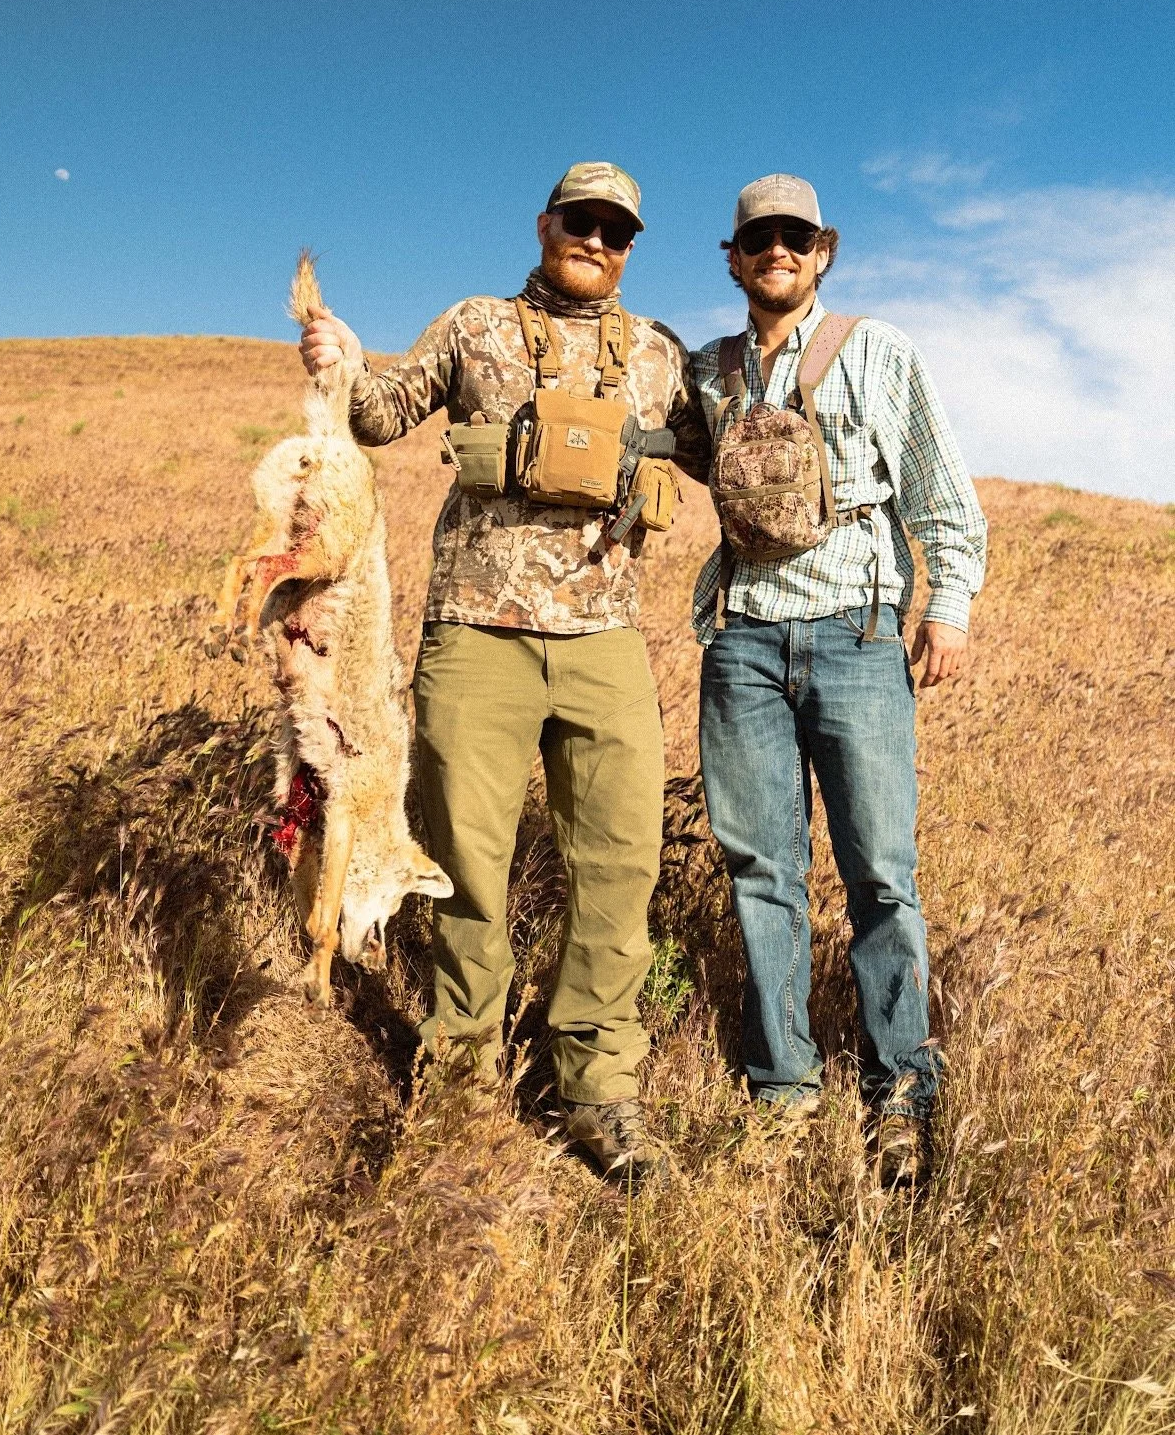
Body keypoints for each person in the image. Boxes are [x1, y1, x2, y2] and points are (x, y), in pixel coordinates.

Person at [300, 162, 712, 1186]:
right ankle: (458, 1080)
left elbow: (730, 452)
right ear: (544, 224)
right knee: (468, 864)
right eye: (581, 220)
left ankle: (598, 1087)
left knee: (621, 865)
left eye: (616, 229)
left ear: (631, 246)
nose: (597, 240)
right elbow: (377, 415)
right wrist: (341, 358)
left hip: (607, 640)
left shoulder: (661, 354)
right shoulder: (474, 324)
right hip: (476, 634)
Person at [692, 173, 986, 1187]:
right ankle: (783, 1086)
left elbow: (943, 491)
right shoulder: (710, 371)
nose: (776, 249)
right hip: (742, 646)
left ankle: (901, 1088)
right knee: (761, 870)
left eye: (795, 235)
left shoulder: (879, 350)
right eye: (757, 237)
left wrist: (949, 606)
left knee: (881, 874)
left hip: (858, 637)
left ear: (823, 250)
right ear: (733, 258)